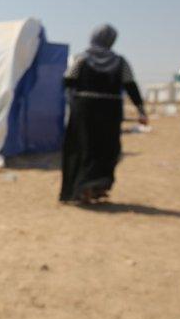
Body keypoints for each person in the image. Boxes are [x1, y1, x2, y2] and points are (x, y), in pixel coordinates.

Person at [59, 24, 147, 204]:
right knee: (105, 149)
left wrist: (72, 100)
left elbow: (67, 80)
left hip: (84, 110)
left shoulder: (81, 59)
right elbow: (131, 86)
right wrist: (141, 110)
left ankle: (80, 189)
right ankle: (96, 187)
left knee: (81, 147)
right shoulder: (120, 62)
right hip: (110, 110)